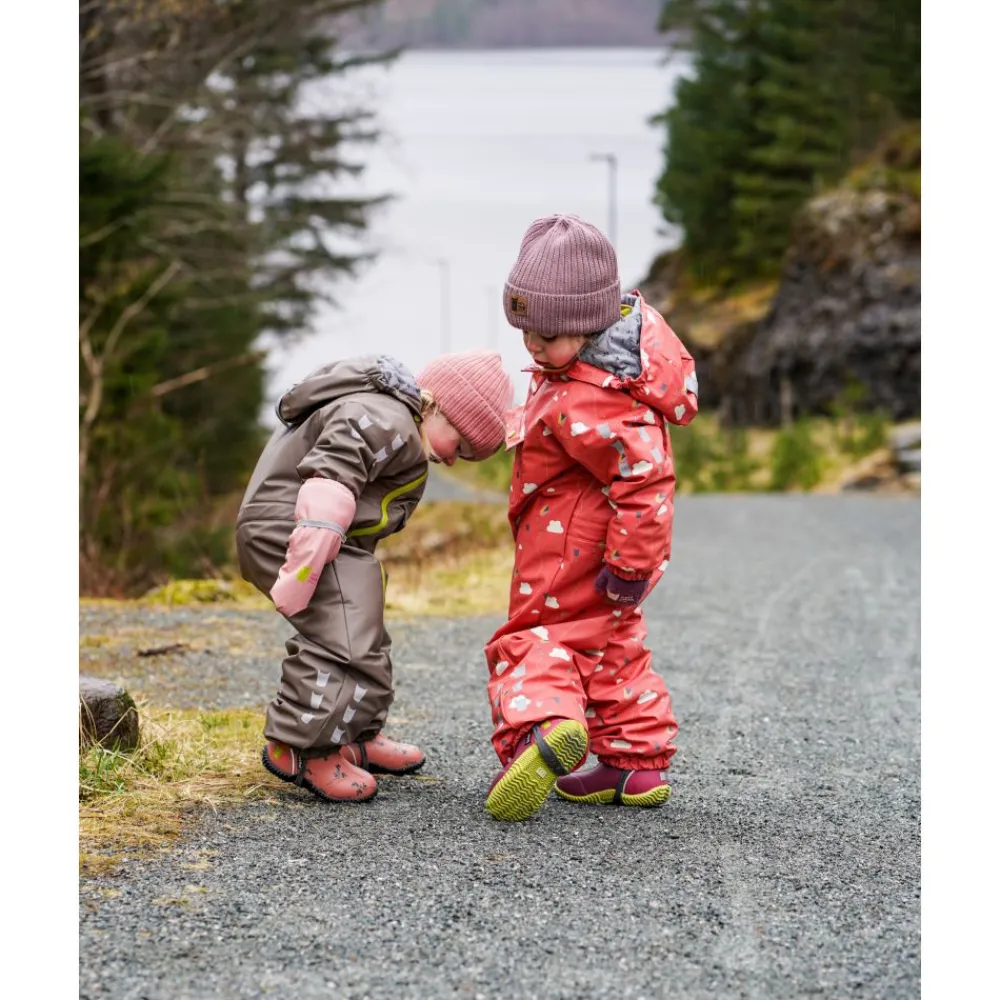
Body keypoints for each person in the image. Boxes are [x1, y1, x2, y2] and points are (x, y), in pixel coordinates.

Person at [483, 214, 699, 822]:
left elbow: (644, 475)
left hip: (569, 549)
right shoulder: (586, 373)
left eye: (546, 336)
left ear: (586, 325)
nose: (532, 346)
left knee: (538, 639)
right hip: (601, 552)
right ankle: (634, 765)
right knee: (612, 645)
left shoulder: (591, 391)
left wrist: (632, 562)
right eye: (524, 331)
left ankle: (544, 729)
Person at [237, 350, 514, 804]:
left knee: (364, 628)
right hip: (295, 529)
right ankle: (304, 745)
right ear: (437, 406)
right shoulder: (384, 418)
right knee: (343, 636)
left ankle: (357, 733)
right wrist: (308, 557)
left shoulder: (401, 425)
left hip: (326, 538)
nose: (454, 460)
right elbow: (332, 474)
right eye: (460, 445)